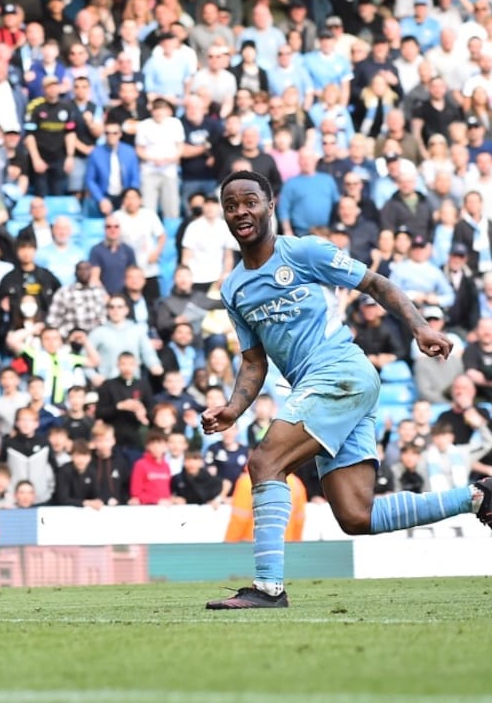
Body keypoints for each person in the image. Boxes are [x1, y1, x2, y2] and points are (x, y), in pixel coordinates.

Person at [203, 170, 492, 610]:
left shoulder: (303, 251)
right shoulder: (233, 287)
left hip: (339, 373)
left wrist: (419, 327)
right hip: (330, 388)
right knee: (356, 516)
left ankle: (267, 588)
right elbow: (253, 360)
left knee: (265, 462)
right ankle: (477, 497)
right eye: (231, 205)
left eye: (250, 201)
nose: (241, 211)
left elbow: (375, 283)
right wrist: (234, 408)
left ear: (270, 205)